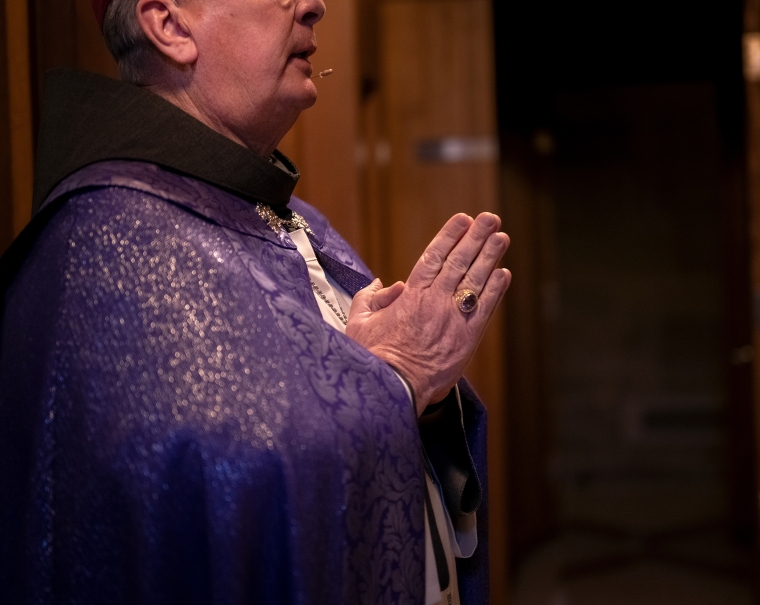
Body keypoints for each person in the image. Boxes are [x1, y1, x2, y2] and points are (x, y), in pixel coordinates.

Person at [0, 0, 511, 603]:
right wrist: (395, 376)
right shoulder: (111, 243)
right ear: (168, 23)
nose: (316, 6)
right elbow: (202, 501)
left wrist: (417, 399)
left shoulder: (291, 220)